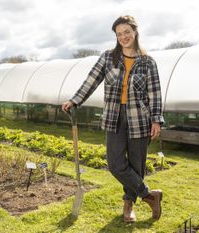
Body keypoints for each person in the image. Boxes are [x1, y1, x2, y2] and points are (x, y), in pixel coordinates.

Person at [61, 15, 164, 222]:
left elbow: (155, 93)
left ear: (135, 32)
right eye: (119, 34)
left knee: (136, 164)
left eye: (127, 32)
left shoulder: (147, 62)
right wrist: (75, 100)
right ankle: (150, 195)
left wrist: (156, 120)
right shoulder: (108, 58)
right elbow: (91, 81)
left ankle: (128, 207)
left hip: (140, 119)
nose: (123, 37)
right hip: (114, 117)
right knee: (115, 164)